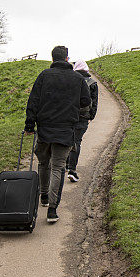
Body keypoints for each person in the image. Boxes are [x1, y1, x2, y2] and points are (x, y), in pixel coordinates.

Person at [24, 46, 91, 223]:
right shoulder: (77, 79)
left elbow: (33, 101)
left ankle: (44, 195)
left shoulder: (44, 76)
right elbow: (86, 101)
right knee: (58, 166)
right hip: (65, 128)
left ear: (52, 59)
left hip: (45, 127)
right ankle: (52, 210)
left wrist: (30, 125)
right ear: (67, 59)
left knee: (44, 162)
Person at [66, 60, 98, 182]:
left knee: (68, 138)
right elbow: (94, 102)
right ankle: (72, 170)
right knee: (77, 141)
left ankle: (66, 163)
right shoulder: (93, 83)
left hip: (69, 116)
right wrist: (91, 116)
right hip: (83, 117)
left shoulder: (70, 80)